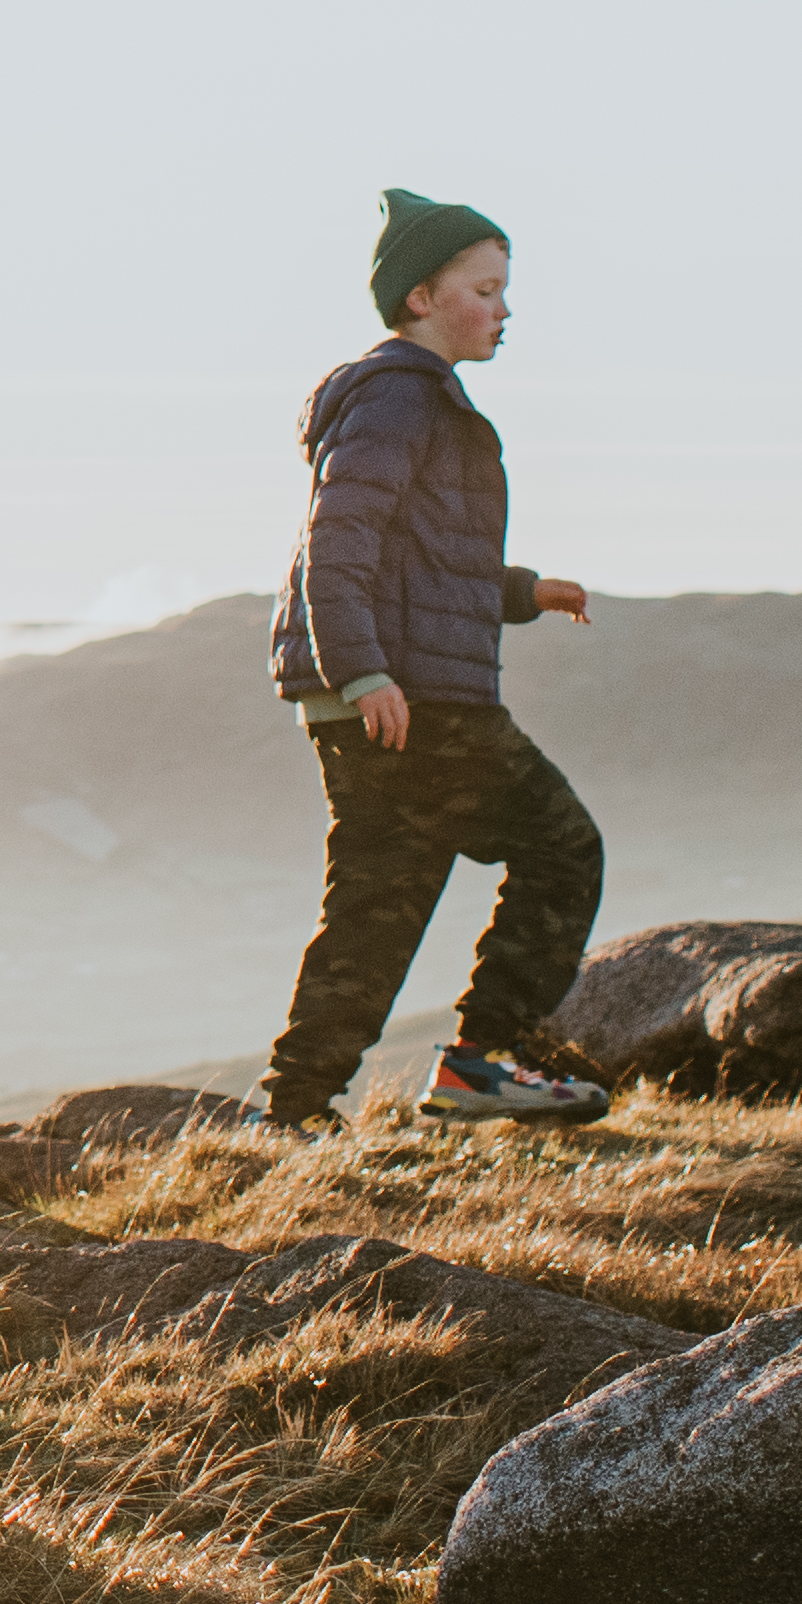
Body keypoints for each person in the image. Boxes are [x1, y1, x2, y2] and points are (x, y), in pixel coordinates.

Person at [259, 193, 616, 1132]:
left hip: (372, 699)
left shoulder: (404, 399)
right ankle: (487, 1058)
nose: (504, 309)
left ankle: (291, 1108)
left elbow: (421, 565)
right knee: (562, 848)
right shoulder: (401, 395)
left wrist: (523, 592)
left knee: (379, 906)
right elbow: (339, 540)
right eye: (485, 289)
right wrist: (364, 670)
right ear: (420, 296)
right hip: (412, 700)